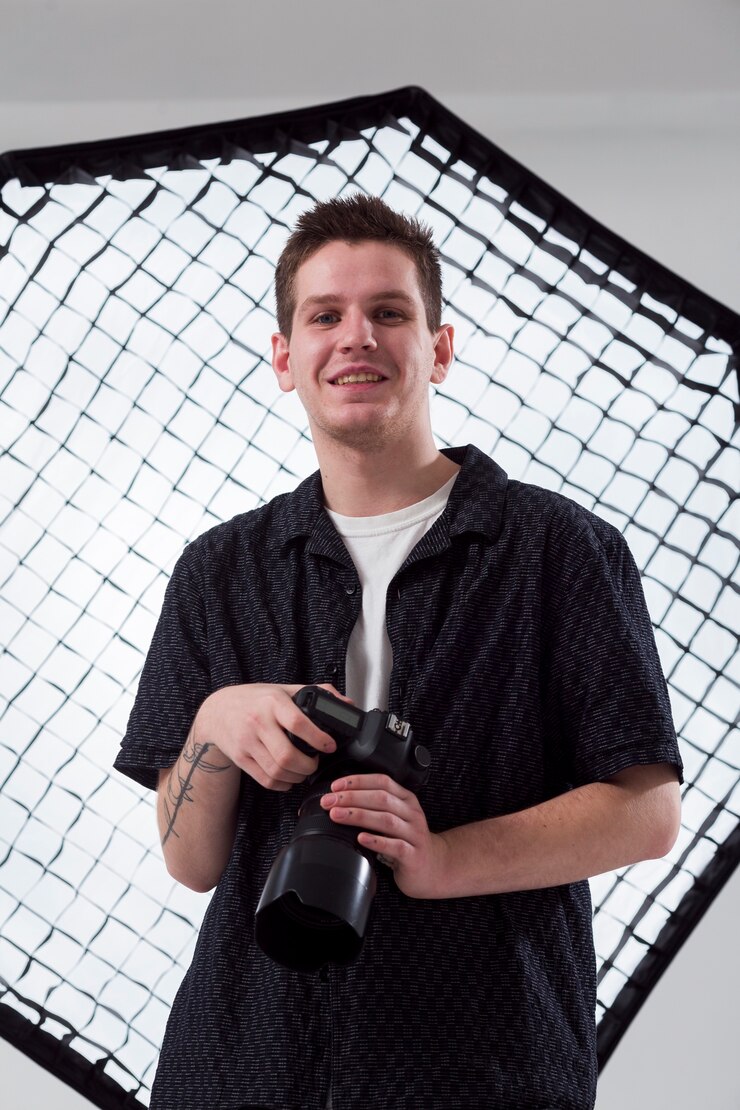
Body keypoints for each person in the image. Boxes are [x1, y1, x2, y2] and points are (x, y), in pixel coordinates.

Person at [114, 194, 683, 1110]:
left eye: (388, 311)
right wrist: (216, 723)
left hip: (485, 1065)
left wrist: (441, 858)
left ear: (439, 349)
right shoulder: (218, 569)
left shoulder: (558, 548)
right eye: (324, 316)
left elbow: (646, 812)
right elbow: (191, 862)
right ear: (284, 358)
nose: (357, 337)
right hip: (243, 1066)